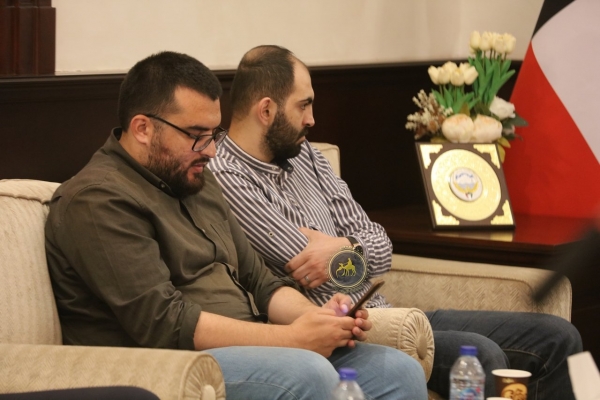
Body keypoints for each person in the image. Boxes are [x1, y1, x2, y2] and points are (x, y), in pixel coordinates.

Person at [44, 51, 428, 400]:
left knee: (397, 371)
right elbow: (165, 323)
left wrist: (315, 318)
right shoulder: (97, 200)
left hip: (250, 344)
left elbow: (260, 280)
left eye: (213, 135)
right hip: (166, 362)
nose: (211, 150)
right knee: (307, 374)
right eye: (196, 136)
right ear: (143, 128)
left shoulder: (197, 179)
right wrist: (291, 338)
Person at [209, 44, 584, 399]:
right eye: (303, 105)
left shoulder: (304, 153)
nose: (312, 119)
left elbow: (380, 244)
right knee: (481, 354)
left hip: (392, 313)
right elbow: (304, 263)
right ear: (266, 110)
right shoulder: (226, 176)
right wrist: (348, 252)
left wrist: (344, 248)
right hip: (349, 330)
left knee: (557, 337)